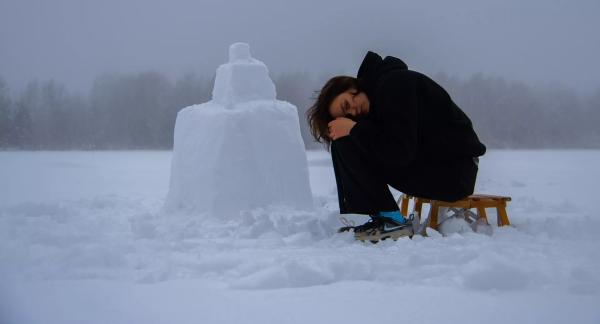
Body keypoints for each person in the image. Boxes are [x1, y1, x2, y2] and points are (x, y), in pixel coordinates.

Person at [307, 51, 486, 241]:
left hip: (455, 172)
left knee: (348, 142)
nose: (353, 112)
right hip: (437, 164)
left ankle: (388, 221)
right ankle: (369, 218)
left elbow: (400, 151)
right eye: (347, 115)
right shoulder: (379, 97)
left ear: (352, 87)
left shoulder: (394, 84)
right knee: (343, 143)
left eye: (346, 104)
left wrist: (354, 130)